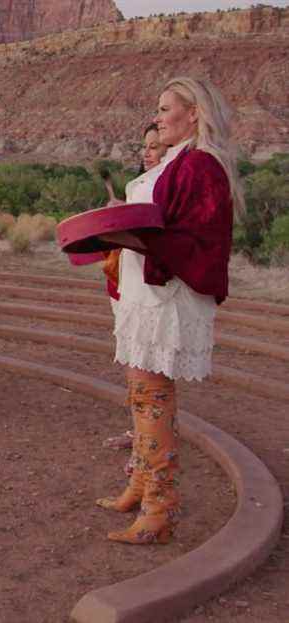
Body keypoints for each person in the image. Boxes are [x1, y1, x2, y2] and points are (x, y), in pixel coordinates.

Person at [94, 77, 242, 545]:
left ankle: (160, 509)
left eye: (165, 108)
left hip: (168, 299)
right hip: (148, 293)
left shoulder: (201, 165)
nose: (158, 117)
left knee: (152, 396)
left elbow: (198, 237)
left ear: (194, 112)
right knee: (141, 395)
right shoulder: (179, 161)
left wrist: (133, 232)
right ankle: (141, 485)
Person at [102, 122, 171, 451]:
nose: (147, 152)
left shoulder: (167, 187)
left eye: (155, 146)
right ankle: (141, 436)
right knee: (136, 364)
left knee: (149, 367)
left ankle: (150, 445)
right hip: (127, 282)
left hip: (151, 289)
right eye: (145, 146)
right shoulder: (140, 185)